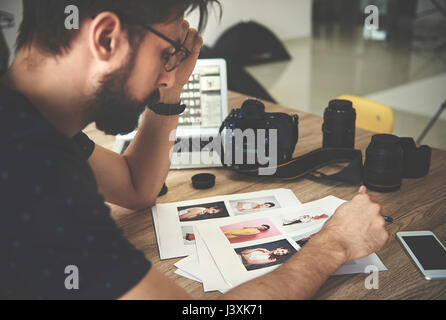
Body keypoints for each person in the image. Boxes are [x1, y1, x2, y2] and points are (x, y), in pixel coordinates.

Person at [0, 0, 389, 300]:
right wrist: (334, 244)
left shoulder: (32, 119)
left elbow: (137, 187)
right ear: (106, 38)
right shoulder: (33, 169)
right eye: (166, 53)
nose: (169, 72)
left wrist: (168, 92)